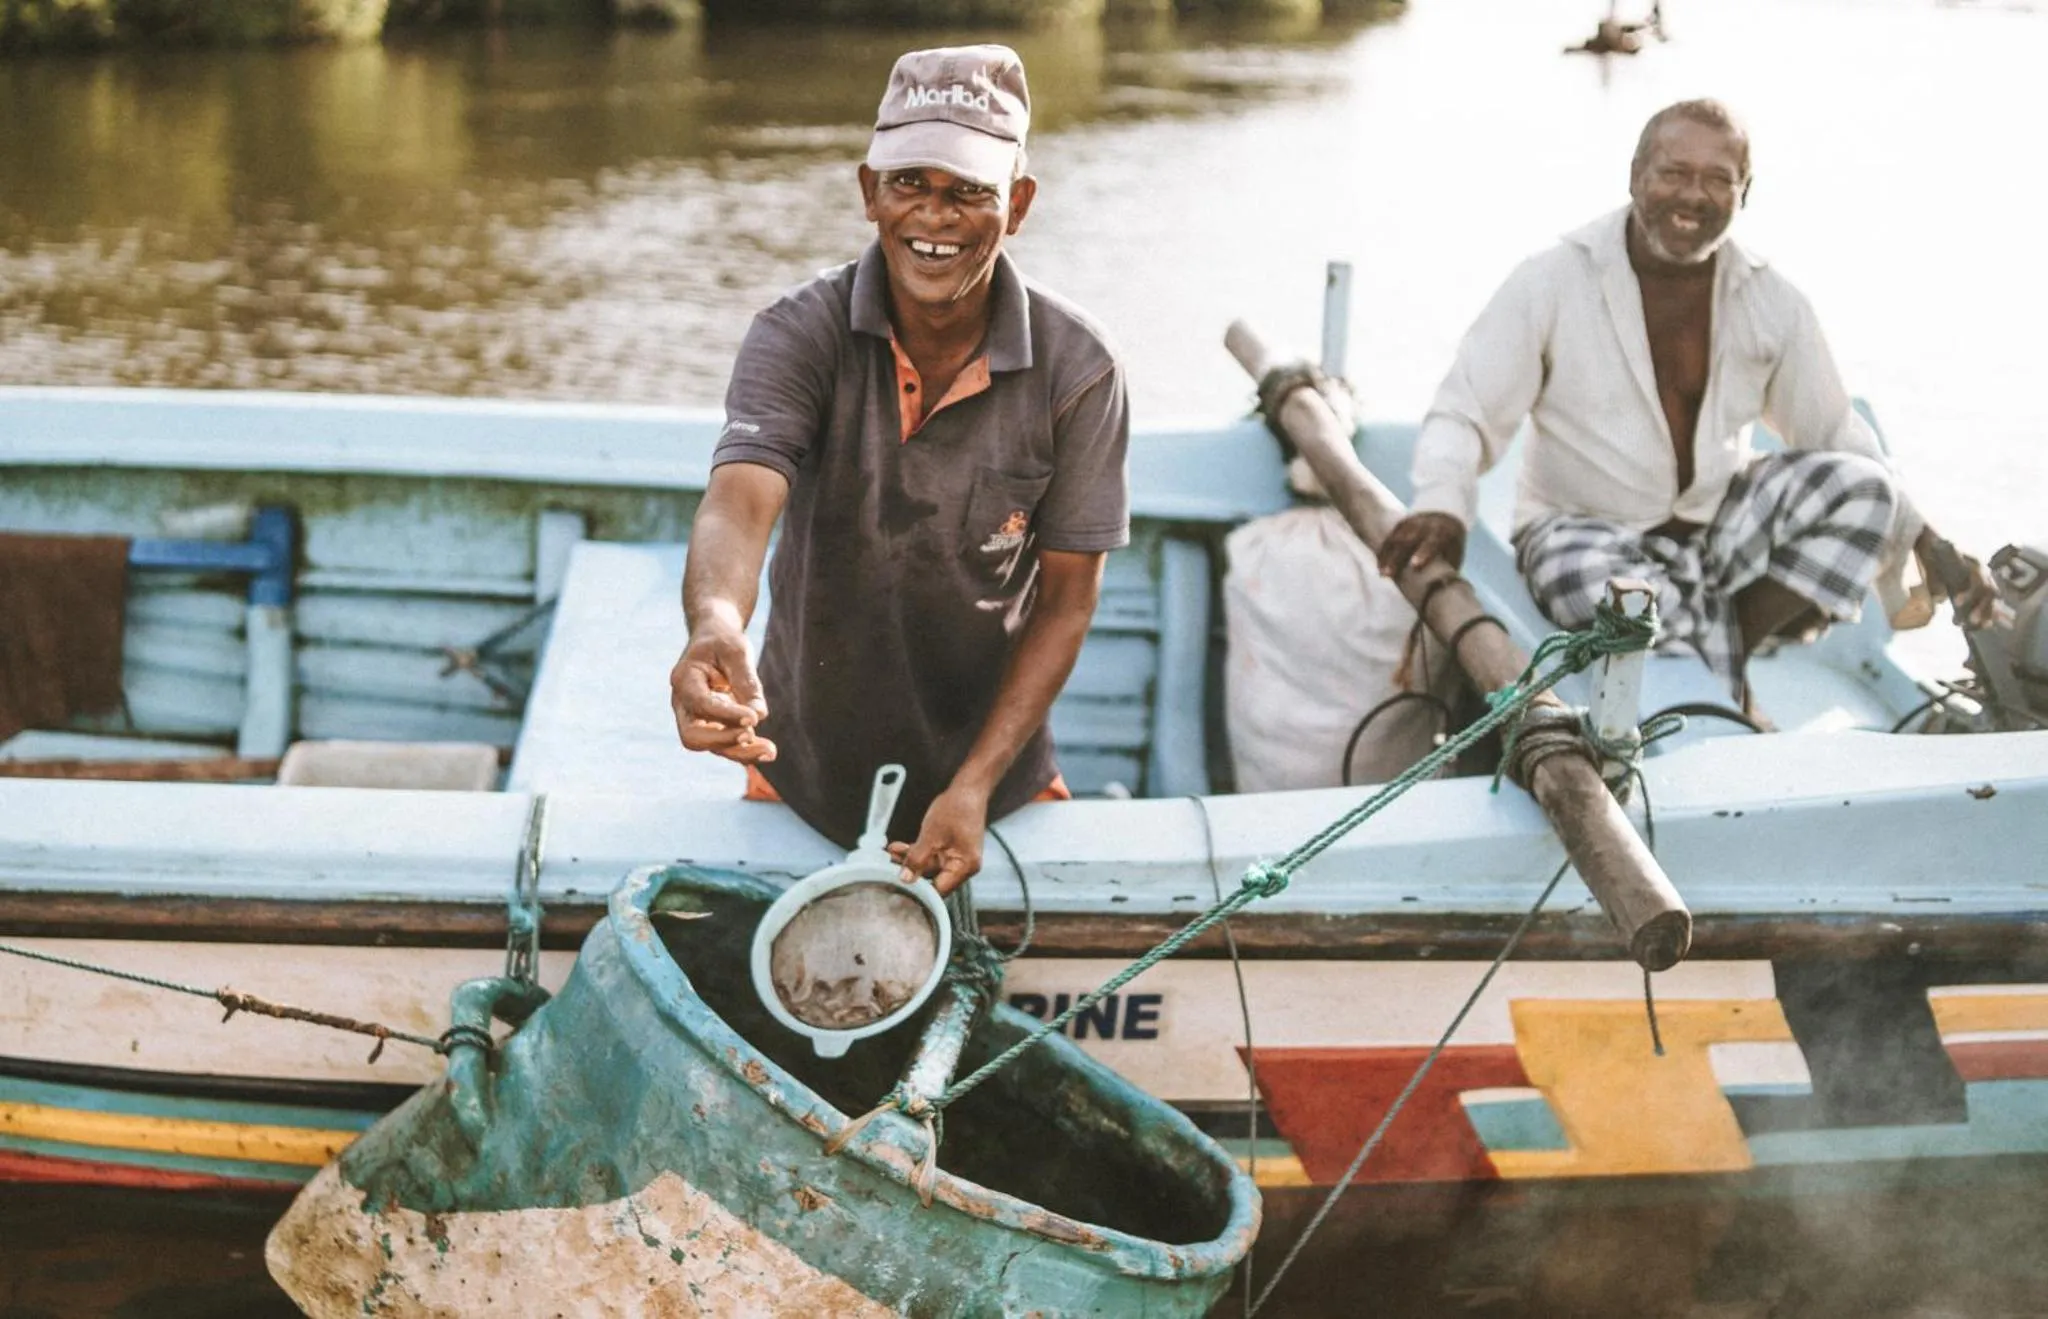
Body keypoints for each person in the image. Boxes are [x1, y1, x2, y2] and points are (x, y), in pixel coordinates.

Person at [669, 44, 1129, 895]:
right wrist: (715, 622)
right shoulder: (796, 333)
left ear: (1018, 205)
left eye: (968, 191)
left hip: (997, 784)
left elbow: (1069, 597)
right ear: (868, 190)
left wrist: (976, 784)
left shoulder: (1080, 369)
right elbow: (740, 502)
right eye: (910, 181)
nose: (935, 215)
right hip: (800, 773)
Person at [1379, 98, 1999, 700]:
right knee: (1624, 599)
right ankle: (1728, 685)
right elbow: (1465, 411)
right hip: (1578, 529)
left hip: (1714, 526)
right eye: (1674, 173)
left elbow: (1837, 432)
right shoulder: (1552, 279)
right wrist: (1443, 507)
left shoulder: (1772, 298)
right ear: (1636, 176)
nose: (1693, 196)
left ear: (1744, 192)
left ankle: (1726, 652)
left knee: (1868, 490)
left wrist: (1927, 537)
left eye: (1717, 180)